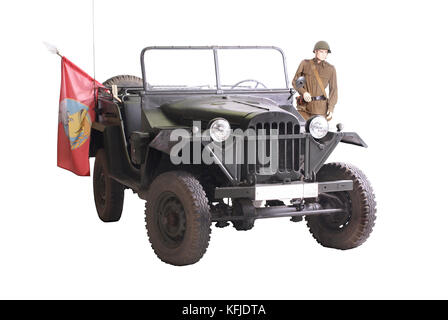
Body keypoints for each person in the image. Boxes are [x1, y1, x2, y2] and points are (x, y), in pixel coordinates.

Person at [292, 41, 338, 121]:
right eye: (321, 51)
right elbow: (296, 81)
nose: (324, 54)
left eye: (326, 52)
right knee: (299, 129)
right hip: (304, 107)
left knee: (318, 131)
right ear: (315, 51)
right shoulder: (305, 64)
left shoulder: (330, 69)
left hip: (320, 109)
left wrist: (331, 108)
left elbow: (333, 90)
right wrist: (304, 92)